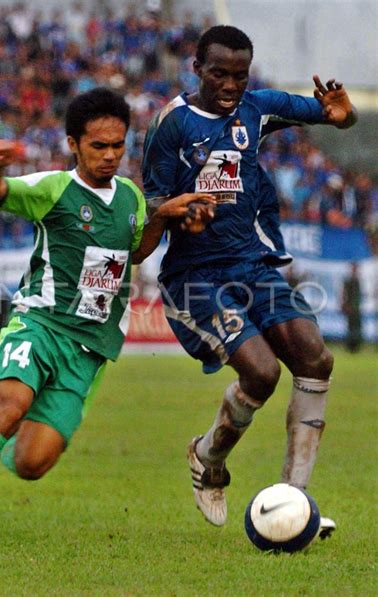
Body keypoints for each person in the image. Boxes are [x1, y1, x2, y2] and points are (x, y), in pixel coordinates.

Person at [0, 87, 215, 543]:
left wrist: (160, 217)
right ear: (73, 144)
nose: (110, 155)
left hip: (89, 346)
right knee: (12, 405)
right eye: (99, 145)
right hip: (39, 322)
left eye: (118, 145)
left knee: (31, 464)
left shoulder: (130, 196)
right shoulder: (53, 188)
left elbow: (136, 252)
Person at [142, 25, 357, 534]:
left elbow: (329, 113)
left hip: (253, 265)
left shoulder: (256, 108)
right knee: (262, 374)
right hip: (195, 276)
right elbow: (151, 203)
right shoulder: (172, 124)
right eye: (219, 74)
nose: (230, 85)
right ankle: (207, 458)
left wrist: (343, 116)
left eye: (239, 76)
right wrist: (180, 212)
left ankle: (295, 502)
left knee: (316, 358)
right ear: (197, 69)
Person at [341, 262, 363, 352]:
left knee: (357, 327)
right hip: (350, 307)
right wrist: (345, 304)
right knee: (351, 327)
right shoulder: (348, 281)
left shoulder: (358, 280)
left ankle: (356, 346)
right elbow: (344, 294)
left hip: (357, 308)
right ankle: (350, 346)